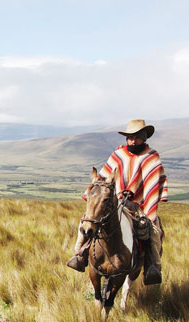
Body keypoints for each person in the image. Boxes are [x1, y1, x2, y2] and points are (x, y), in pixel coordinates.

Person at [70, 119, 167, 284]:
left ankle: (153, 267)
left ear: (144, 137)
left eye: (136, 137)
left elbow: (153, 183)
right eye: (130, 137)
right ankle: (80, 254)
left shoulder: (151, 157)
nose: (132, 140)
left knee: (151, 230)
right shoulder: (118, 154)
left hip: (139, 204)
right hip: (116, 199)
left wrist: (144, 203)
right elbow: (103, 177)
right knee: (88, 221)